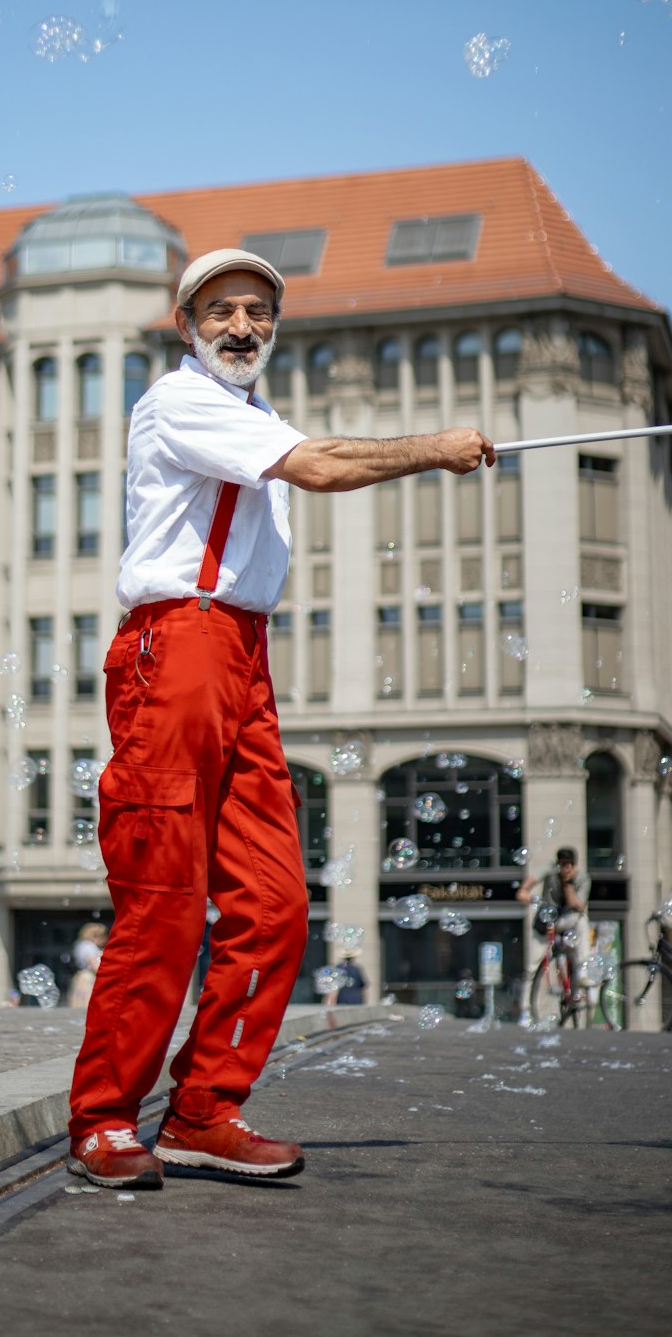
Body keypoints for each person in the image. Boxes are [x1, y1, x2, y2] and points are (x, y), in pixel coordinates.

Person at [67, 247, 495, 1190]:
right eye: (220, 310)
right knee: (165, 908)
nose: (242, 326)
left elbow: (306, 457)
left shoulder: (253, 414)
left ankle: (202, 1111)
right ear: (186, 326)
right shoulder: (180, 403)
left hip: (244, 660)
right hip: (173, 652)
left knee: (272, 906)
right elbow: (323, 466)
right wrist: (438, 448)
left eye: (258, 312)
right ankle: (103, 1119)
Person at [517, 845, 592, 993]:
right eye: (562, 864)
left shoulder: (582, 878)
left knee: (581, 920)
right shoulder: (550, 869)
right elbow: (522, 892)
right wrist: (531, 897)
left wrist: (567, 883)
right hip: (547, 921)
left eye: (568, 864)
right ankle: (526, 1010)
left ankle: (584, 970)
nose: (565, 868)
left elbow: (576, 905)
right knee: (532, 967)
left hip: (568, 922)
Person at [66, 921, 108, 1009]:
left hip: (82, 977)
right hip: (88, 978)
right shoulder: (89, 946)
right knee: (87, 1006)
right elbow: (94, 965)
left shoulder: (81, 944)